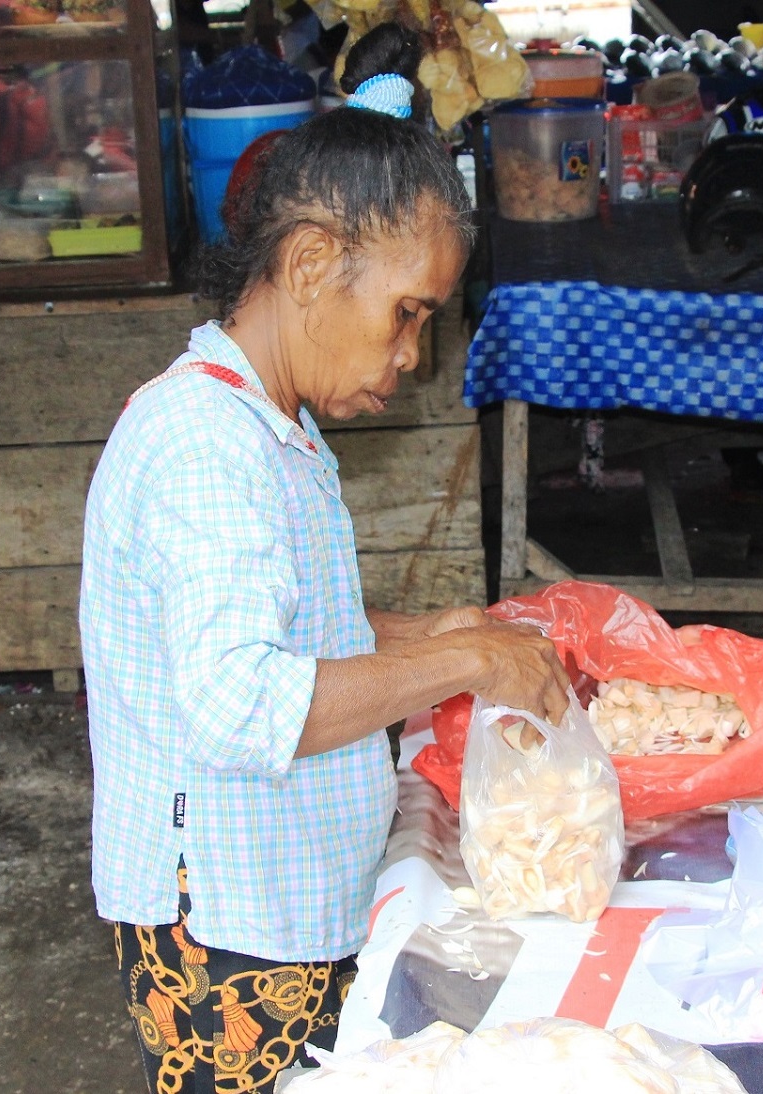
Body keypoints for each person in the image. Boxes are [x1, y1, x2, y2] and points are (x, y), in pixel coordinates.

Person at [79, 23, 570, 1094]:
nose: (410, 355)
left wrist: (429, 633)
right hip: (230, 931)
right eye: (405, 316)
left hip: (279, 898)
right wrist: (467, 665)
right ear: (308, 263)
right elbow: (243, 701)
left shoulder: (268, 425)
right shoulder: (204, 447)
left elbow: (283, 629)